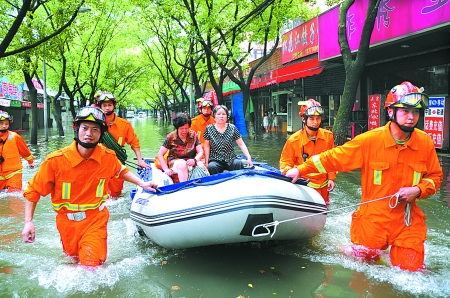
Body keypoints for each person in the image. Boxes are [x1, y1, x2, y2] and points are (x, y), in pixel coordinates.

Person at [289, 81, 443, 271]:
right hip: (372, 220)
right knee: (361, 273)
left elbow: (435, 177)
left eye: (416, 112)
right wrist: (300, 170)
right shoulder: (370, 141)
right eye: (405, 111)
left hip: (407, 221)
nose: (411, 117)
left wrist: (418, 190)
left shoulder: (425, 143)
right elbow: (333, 158)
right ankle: (348, 250)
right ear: (390, 112)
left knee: (412, 273)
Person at [21, 106, 158, 266]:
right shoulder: (55, 162)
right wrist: (28, 222)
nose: (89, 134)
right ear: (76, 129)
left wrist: (142, 183)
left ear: (101, 134)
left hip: (95, 220)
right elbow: (33, 191)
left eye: (95, 130)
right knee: (73, 262)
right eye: (85, 128)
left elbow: (121, 170)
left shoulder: (107, 157)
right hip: (66, 223)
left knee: (91, 266)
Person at [280, 99, 336, 206]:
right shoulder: (293, 140)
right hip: (304, 187)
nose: (315, 122)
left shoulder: (328, 136)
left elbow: (331, 159)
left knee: (323, 212)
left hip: (324, 186)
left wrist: (331, 178)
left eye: (318, 118)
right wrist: (291, 175)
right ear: (303, 119)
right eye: (311, 119)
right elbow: (285, 163)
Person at [95, 91, 150, 198]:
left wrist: (140, 160)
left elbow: (134, 142)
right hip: (98, 164)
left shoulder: (124, 125)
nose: (107, 108)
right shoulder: (95, 124)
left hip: (117, 165)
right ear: (100, 107)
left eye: (109, 105)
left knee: (115, 195)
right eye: (104, 105)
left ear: (114, 106)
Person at [157, 113, 207, 182]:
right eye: (181, 128)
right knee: (182, 164)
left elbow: (200, 151)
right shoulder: (171, 137)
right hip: (176, 162)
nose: (184, 131)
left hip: (191, 161)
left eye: (186, 128)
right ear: (177, 128)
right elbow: (160, 154)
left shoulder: (193, 135)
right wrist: (166, 169)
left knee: (201, 165)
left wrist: (195, 160)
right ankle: (184, 186)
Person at [203, 105, 253, 174]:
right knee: (212, 167)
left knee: (238, 163)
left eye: (223, 114)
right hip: (215, 159)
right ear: (214, 116)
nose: (221, 116)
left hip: (231, 158)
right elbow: (207, 146)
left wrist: (248, 157)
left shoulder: (232, 128)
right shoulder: (209, 128)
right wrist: (206, 162)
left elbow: (241, 144)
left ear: (227, 116)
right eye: (218, 114)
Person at [0, 110, 34, 192]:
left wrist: (30, 161)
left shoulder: (15, 137)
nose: (4, 126)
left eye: (6, 124)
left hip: (14, 172)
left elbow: (25, 151)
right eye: (1, 124)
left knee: (14, 197)